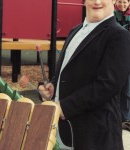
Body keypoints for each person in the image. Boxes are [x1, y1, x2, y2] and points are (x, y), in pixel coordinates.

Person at [38, 0, 130, 149]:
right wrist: (53, 87)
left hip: (96, 137)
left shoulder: (119, 35)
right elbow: (66, 72)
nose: (97, 1)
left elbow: (107, 86)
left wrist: (63, 107)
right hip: (66, 132)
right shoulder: (75, 30)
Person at [114, 0, 130, 122]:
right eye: (120, 1)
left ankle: (125, 117)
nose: (122, 5)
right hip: (118, 54)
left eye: (125, 2)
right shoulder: (113, 14)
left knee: (127, 87)